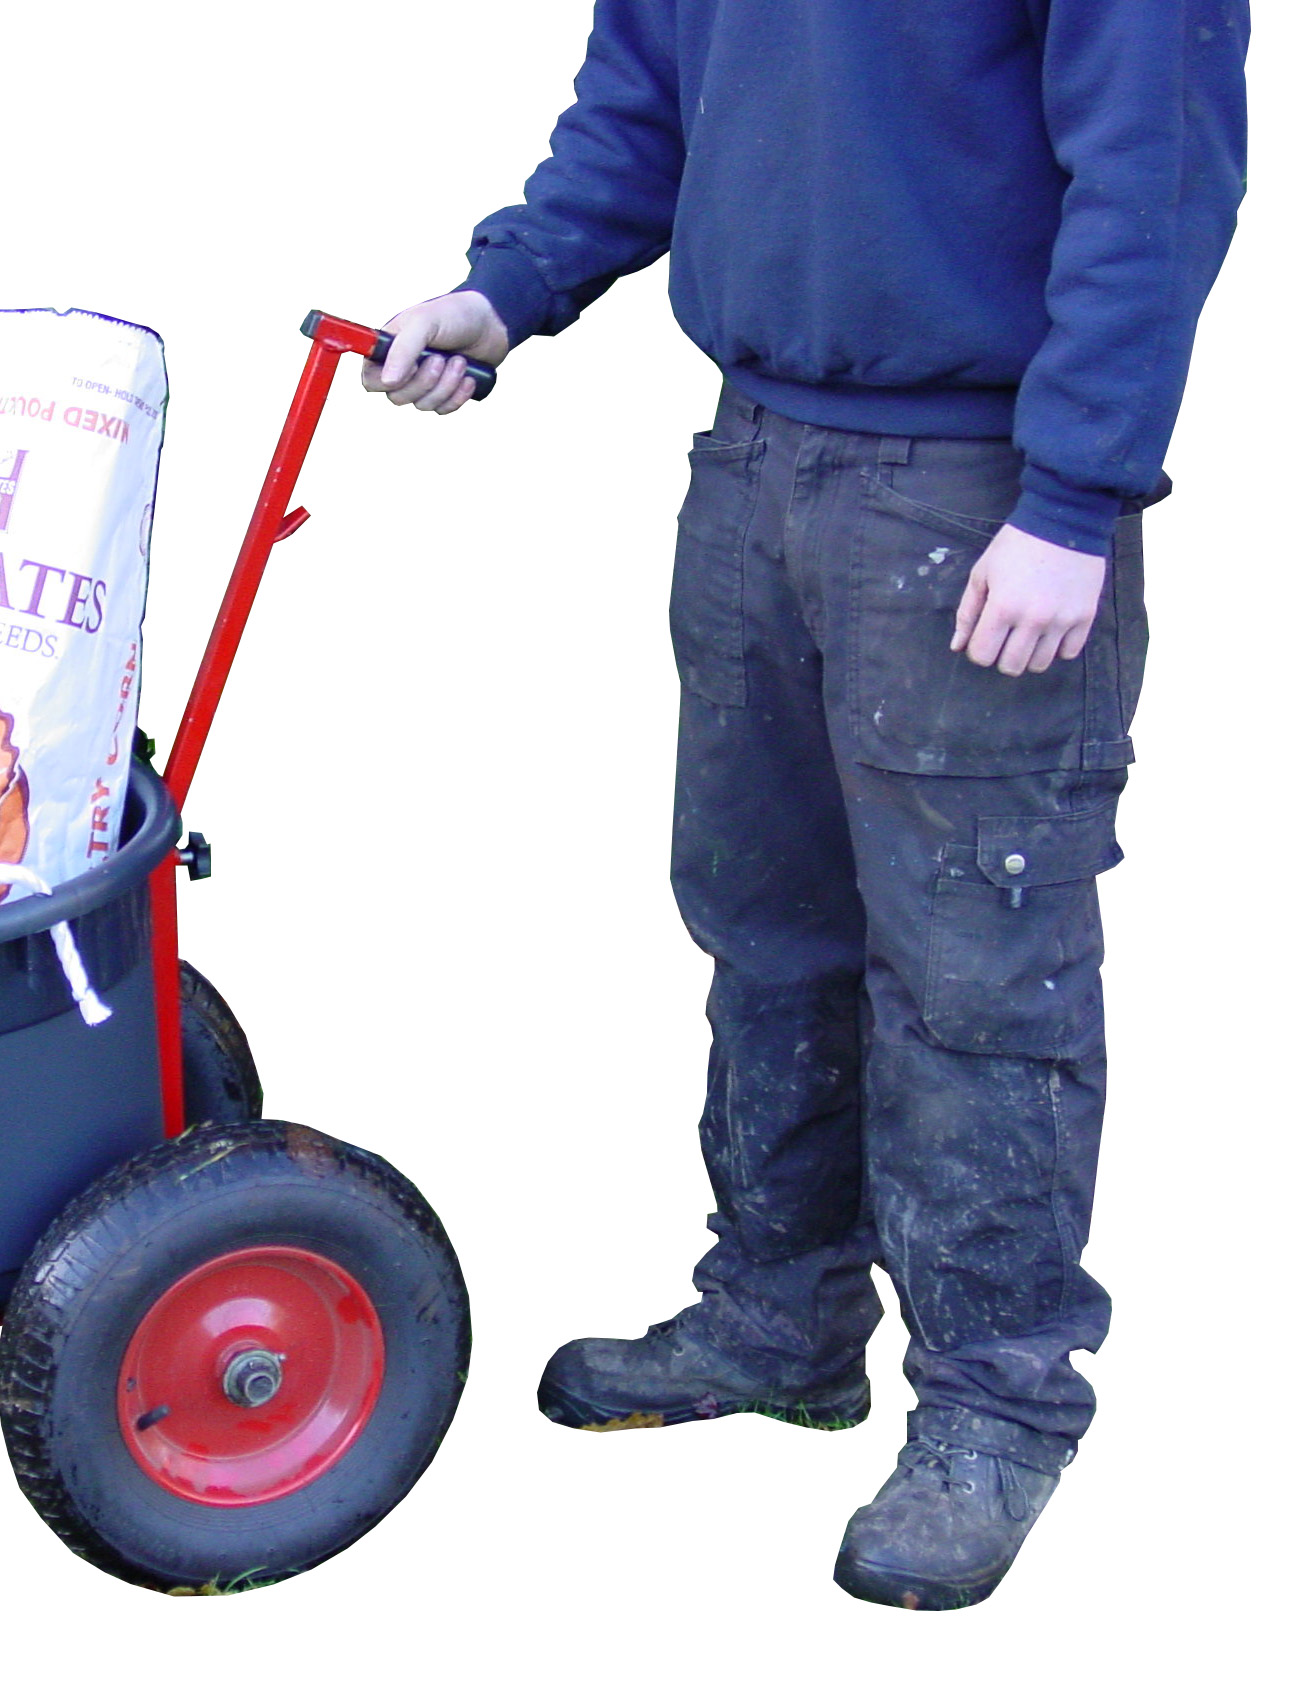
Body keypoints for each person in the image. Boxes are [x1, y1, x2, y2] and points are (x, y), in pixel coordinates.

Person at [365, 1, 1248, 1610]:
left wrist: (1078, 492)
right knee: (765, 927)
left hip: (976, 491)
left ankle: (997, 1403)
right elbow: (642, 105)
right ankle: (781, 1313)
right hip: (756, 460)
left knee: (980, 979)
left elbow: (1157, 176)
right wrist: (506, 290)